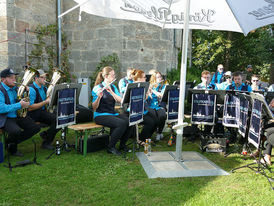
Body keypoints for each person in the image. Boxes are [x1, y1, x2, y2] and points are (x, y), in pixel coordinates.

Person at [92, 66, 133, 155]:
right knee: (121, 123)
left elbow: (120, 100)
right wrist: (98, 97)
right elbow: (94, 107)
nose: (114, 77)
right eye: (112, 75)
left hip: (111, 113)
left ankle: (122, 145)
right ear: (106, 76)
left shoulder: (113, 87)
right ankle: (111, 147)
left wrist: (111, 91)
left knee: (130, 121)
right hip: (100, 115)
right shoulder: (97, 88)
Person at [0, 68, 40, 156]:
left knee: (35, 128)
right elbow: (1, 108)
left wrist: (29, 90)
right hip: (6, 117)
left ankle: (9, 142)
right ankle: (13, 149)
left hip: (18, 115)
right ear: (3, 79)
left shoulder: (16, 88)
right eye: (11, 78)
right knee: (15, 131)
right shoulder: (0, 90)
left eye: (14, 77)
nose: (14, 80)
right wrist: (20, 105)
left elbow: (31, 102)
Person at [27, 69, 60, 150]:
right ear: (36, 78)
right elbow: (30, 108)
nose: (45, 79)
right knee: (57, 120)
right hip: (34, 114)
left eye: (45, 78)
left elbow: (48, 101)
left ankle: (46, 134)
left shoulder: (44, 88)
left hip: (42, 112)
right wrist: (45, 102)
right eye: (43, 78)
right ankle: (46, 143)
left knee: (60, 118)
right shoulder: (32, 89)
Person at [132, 69, 157, 144]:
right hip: (135, 110)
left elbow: (144, 99)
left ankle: (147, 137)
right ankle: (142, 139)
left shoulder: (143, 86)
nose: (146, 79)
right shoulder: (133, 86)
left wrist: (148, 92)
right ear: (139, 79)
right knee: (150, 122)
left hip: (142, 109)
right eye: (144, 77)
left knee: (156, 119)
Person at [148, 71, 167, 141]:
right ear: (154, 79)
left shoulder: (163, 86)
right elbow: (147, 98)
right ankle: (148, 135)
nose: (159, 78)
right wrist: (149, 91)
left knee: (162, 115)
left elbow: (161, 95)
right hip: (150, 106)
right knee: (152, 117)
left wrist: (152, 90)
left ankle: (159, 132)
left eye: (160, 77)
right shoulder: (149, 86)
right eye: (157, 77)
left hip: (159, 105)